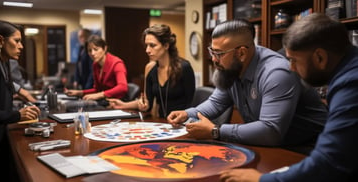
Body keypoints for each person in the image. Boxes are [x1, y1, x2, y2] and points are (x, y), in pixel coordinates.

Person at [219, 13, 358, 182]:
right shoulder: (348, 71)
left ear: (320, 57)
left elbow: (330, 160)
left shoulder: (351, 84)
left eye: (293, 60)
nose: (291, 68)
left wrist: (262, 180)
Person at [167, 19, 327, 152]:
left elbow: (271, 131)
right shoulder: (230, 67)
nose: (214, 60)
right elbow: (217, 102)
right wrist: (188, 114)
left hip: (308, 148)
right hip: (271, 144)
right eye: (212, 52)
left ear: (241, 53)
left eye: (219, 54)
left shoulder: (277, 72)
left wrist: (215, 131)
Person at [107, 24, 195, 118]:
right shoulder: (151, 70)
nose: (147, 50)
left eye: (152, 45)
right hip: (162, 124)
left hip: (183, 123)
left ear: (166, 45)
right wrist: (123, 105)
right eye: (146, 45)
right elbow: (147, 104)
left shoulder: (184, 67)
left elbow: (191, 103)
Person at [0, 20, 41, 181]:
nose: (21, 46)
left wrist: (23, 92)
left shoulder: (3, 61)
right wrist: (18, 115)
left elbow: (6, 83)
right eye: (17, 41)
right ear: (1, 40)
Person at [65, 35, 128, 105]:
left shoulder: (117, 63)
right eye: (89, 50)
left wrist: (99, 95)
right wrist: (79, 93)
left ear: (105, 49)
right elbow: (97, 90)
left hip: (116, 102)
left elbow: (123, 87)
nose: (92, 53)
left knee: (72, 106)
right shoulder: (95, 65)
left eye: (96, 49)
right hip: (103, 101)